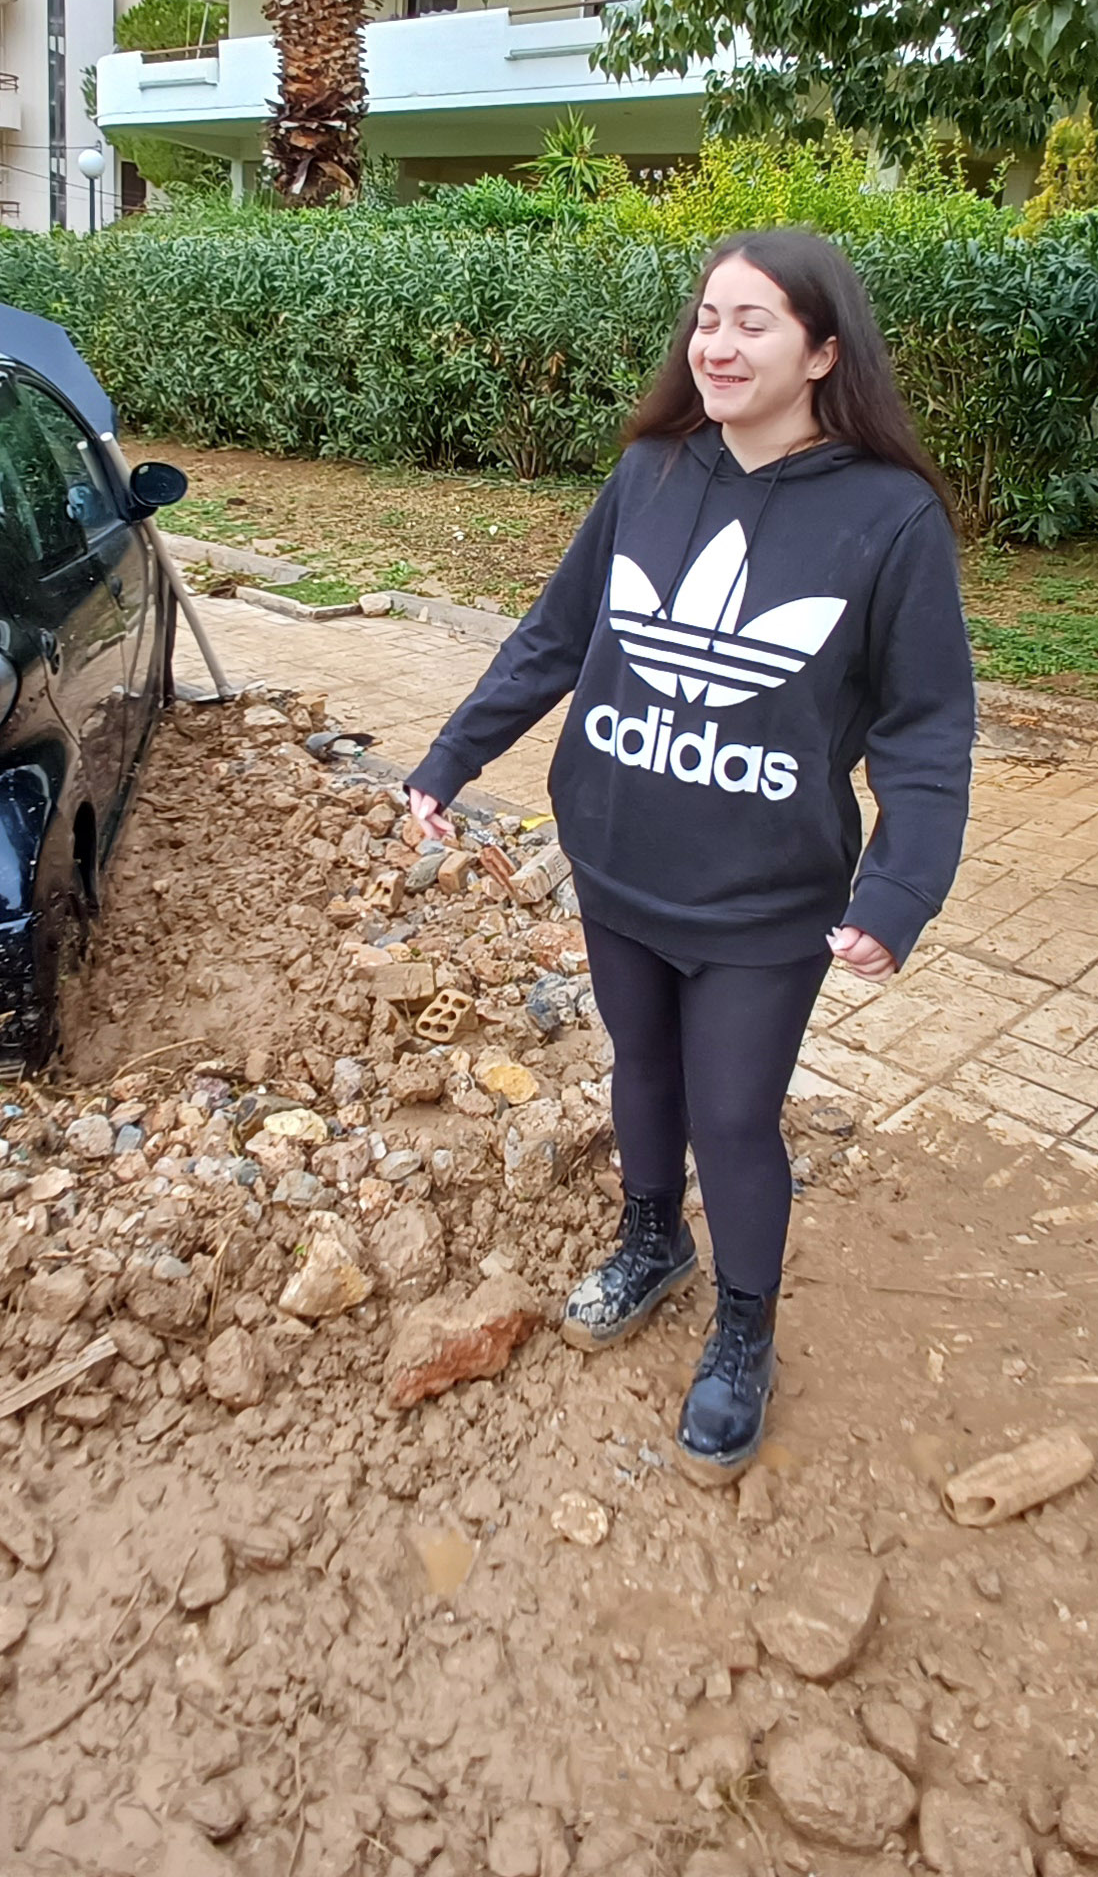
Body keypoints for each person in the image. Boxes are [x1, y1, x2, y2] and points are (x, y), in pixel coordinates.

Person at [402, 227, 975, 1484]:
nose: (715, 343)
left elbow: (926, 728)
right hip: (619, 856)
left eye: (752, 322)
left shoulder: (889, 520)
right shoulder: (654, 472)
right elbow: (555, 638)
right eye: (706, 317)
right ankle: (651, 1242)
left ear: (824, 352)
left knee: (733, 1112)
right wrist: (451, 757)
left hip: (768, 893)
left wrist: (901, 888)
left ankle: (745, 1331)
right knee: (642, 1073)